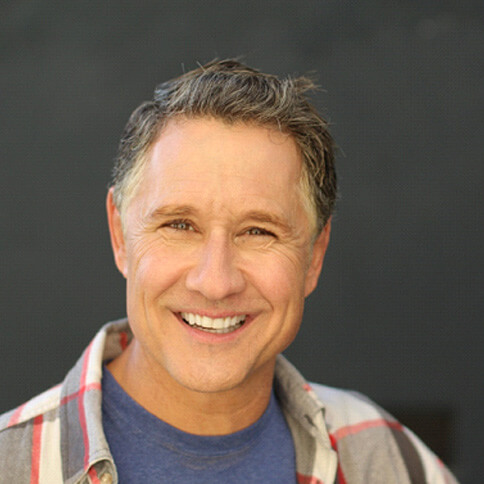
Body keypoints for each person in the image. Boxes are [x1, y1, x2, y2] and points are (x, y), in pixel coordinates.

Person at [0, 59, 458, 484]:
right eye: (180, 225)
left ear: (314, 256)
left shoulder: (390, 460)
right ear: (120, 235)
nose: (215, 282)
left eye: (258, 231)